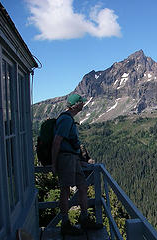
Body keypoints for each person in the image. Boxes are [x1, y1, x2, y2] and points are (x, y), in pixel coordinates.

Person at [51, 93, 102, 235]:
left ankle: (84, 219)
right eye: (82, 103)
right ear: (76, 105)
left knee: (83, 186)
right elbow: (57, 142)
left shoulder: (69, 118)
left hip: (73, 159)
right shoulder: (66, 120)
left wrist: (79, 160)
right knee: (66, 190)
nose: (84, 104)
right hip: (65, 159)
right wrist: (54, 164)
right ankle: (65, 223)